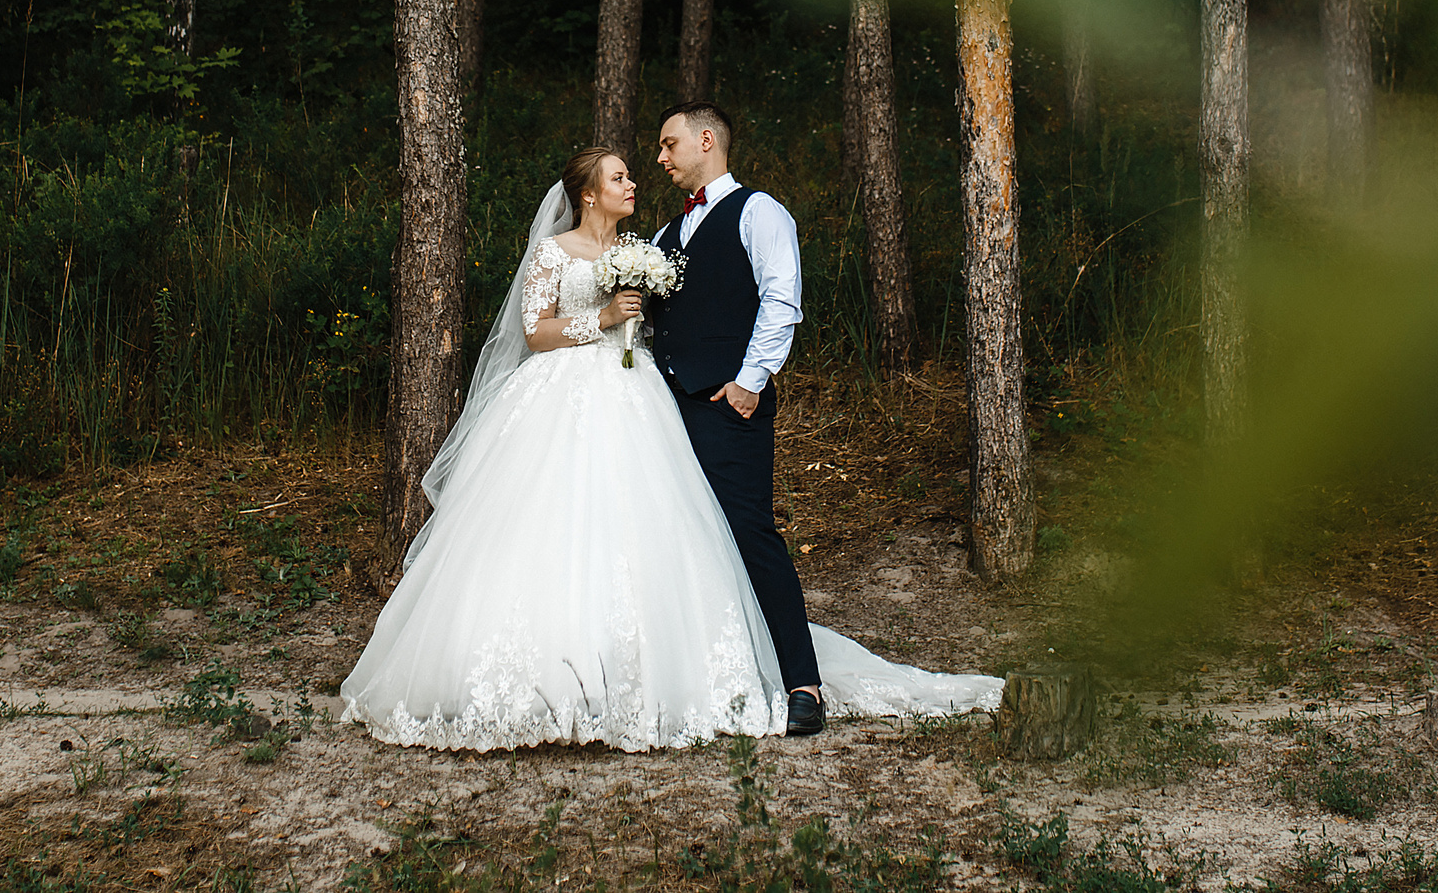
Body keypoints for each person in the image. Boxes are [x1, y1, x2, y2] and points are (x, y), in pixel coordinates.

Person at [340, 126, 1003, 754]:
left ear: (704, 141)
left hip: (653, 397)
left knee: (679, 528)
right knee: (555, 526)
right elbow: (536, 331)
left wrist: (740, 373)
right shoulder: (589, 246)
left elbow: (757, 303)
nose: (640, 176)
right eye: (620, 176)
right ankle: (557, 673)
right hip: (573, 398)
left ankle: (766, 677)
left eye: (656, 153)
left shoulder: (696, 232)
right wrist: (605, 317)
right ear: (588, 194)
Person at [644, 101, 825, 734]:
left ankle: (804, 684)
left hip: (727, 405)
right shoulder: (664, 235)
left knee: (750, 531)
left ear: (705, 140)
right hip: (665, 409)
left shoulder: (759, 212)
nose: (660, 158)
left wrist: (751, 381)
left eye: (668, 144)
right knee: (678, 536)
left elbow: (781, 298)